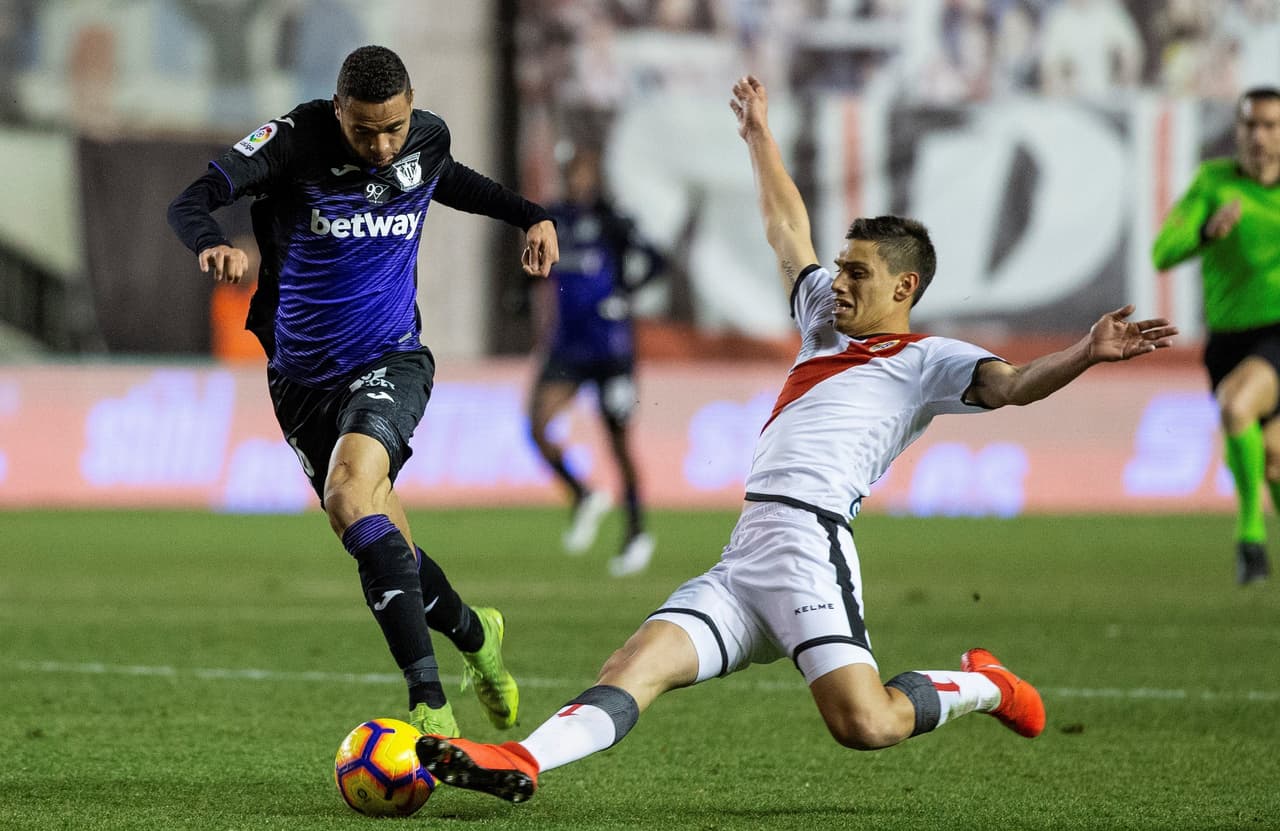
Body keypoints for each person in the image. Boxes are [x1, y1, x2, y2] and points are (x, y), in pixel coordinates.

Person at [411, 75, 1179, 802]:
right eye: (840, 266)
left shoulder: (928, 361)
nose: (836, 280)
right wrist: (759, 134)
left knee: (866, 724)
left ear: (904, 288)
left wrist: (1085, 352)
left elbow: (1012, 386)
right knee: (634, 665)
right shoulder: (821, 320)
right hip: (748, 552)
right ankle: (520, 759)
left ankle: (987, 683)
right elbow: (786, 227)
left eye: (857, 273)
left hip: (811, 547)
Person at [166, 45, 561, 737]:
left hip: (391, 359)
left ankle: (430, 707)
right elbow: (193, 197)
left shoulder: (425, 139)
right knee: (376, 533)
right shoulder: (292, 141)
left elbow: (452, 180)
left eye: (395, 128)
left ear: (410, 109)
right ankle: (477, 635)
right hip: (299, 379)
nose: (382, 146)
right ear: (338, 110)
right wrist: (210, 241)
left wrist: (532, 214)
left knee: (351, 493)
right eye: (364, 131)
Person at [1152, 86, 1280, 585]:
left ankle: (1250, 537)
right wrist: (1205, 231)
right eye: (1251, 126)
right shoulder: (1214, 182)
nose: (1260, 137)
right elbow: (1164, 251)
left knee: (1235, 406)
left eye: (1271, 126)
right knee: (1272, 461)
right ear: (1238, 131)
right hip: (1228, 341)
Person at [528, 143, 664, 577]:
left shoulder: (612, 221)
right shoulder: (553, 219)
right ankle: (583, 494)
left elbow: (657, 261)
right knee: (536, 425)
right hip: (567, 346)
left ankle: (637, 532)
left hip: (610, 350)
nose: (576, 181)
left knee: (618, 442)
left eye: (583, 173)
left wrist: (625, 293)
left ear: (596, 176)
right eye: (570, 173)